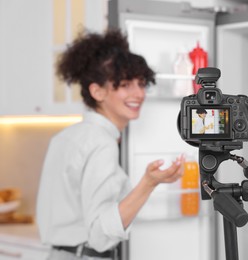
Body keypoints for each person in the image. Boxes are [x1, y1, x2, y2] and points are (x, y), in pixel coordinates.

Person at [36, 29, 184, 260]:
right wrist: (149, 183)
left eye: (141, 83)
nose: (139, 93)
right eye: (125, 84)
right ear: (97, 91)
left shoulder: (66, 137)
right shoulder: (102, 143)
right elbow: (100, 235)